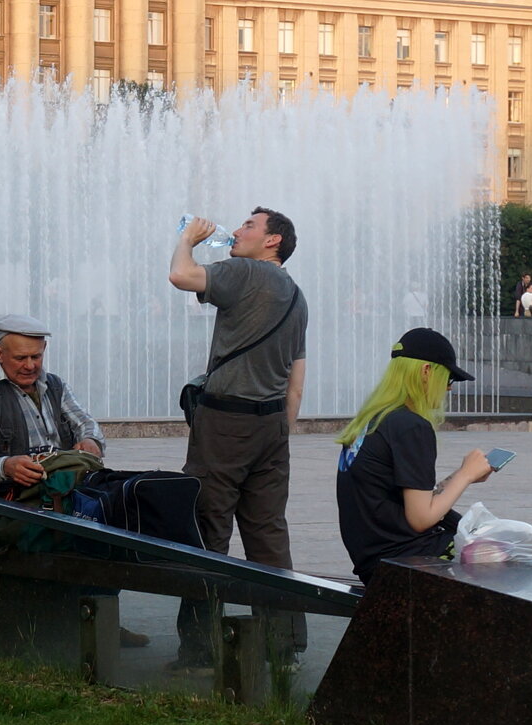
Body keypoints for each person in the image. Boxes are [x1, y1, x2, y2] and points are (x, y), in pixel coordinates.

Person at [168, 207, 308, 671]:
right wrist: (278, 433)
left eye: (250, 225)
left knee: (208, 528)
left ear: (272, 241)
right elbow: (296, 380)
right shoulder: (296, 295)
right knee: (268, 532)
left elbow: (180, 275)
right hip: (270, 426)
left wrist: (188, 238)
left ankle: (200, 649)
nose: (238, 230)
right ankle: (283, 645)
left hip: (226, 423)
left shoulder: (245, 272)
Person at [0, 314, 148, 647]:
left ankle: (96, 620)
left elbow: (88, 425)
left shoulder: (54, 386)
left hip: (54, 504)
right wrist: (7, 466)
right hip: (5, 510)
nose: (30, 365)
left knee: (113, 530)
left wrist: (90, 443)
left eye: (37, 356)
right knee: (80, 537)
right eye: (21, 358)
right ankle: (77, 626)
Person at [336, 328, 493, 585]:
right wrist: (465, 476)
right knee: (514, 556)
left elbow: (397, 496)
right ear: (427, 372)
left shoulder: (373, 420)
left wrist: (461, 475)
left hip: (374, 559)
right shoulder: (411, 426)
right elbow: (421, 519)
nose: (448, 389)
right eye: (448, 379)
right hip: (407, 561)